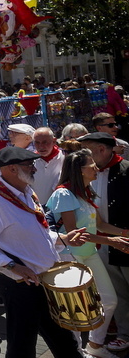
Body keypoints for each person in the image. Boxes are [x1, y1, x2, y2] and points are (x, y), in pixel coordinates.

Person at [0, 146, 91, 358]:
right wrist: (12, 266)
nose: (34, 168)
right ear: (12, 169)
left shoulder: (27, 192)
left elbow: (37, 234)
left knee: (63, 339)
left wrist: (62, 239)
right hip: (20, 285)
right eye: (28, 165)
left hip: (44, 279)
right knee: (22, 345)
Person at [46, 149, 127, 357]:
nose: (96, 168)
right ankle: (76, 353)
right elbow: (74, 233)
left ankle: (94, 345)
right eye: (92, 164)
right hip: (69, 256)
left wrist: (123, 234)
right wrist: (111, 241)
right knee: (74, 309)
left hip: (89, 253)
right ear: (80, 170)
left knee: (109, 300)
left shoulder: (86, 192)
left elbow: (100, 225)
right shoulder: (64, 193)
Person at [80, 132, 129, 352]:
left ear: (101, 149)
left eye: (88, 150)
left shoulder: (126, 170)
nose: (85, 156)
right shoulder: (90, 172)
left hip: (124, 240)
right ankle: (125, 334)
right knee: (118, 293)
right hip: (105, 242)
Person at [31, 126, 64, 204]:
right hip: (37, 208)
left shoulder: (64, 158)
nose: (41, 146)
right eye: (37, 142)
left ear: (54, 141)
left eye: (45, 142)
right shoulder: (29, 162)